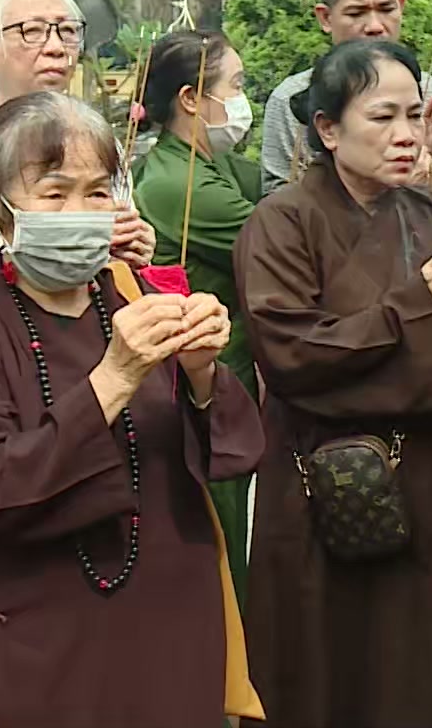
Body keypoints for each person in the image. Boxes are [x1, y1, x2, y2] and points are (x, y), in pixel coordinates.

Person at [0, 91, 265, 727]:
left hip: (172, 624)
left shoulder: (132, 294)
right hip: (45, 637)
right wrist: (114, 377)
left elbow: (230, 453)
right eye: (54, 195)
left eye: (98, 192)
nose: (80, 213)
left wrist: (200, 372)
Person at [234, 40, 432, 728]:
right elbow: (293, 354)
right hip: (318, 477)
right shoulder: (282, 221)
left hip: (417, 472)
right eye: (383, 116)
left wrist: (408, 338)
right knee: (315, 662)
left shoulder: (430, 215)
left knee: (406, 663)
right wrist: (416, 313)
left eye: (414, 115)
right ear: (327, 129)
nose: (407, 135)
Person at [130, 30, 264, 601]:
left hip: (230, 378)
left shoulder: (219, 166)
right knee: (216, 536)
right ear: (191, 99)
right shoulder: (176, 183)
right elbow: (282, 240)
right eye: (233, 86)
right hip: (200, 380)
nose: (241, 100)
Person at [0, 0, 154, 265]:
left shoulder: (102, 146)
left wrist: (132, 248)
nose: (56, 48)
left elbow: (117, 245)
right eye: (32, 31)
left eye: (68, 31)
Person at [260, 0, 432, 195]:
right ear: (325, 17)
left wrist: (426, 168)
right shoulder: (293, 99)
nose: (375, 27)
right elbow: (278, 202)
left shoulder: (431, 92)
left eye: (386, 9)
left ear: (401, 7)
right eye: (356, 13)